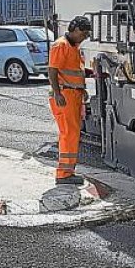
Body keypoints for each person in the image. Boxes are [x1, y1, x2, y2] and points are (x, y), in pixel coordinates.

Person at [48, 15, 92, 185]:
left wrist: (82, 90)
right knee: (68, 134)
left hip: (73, 94)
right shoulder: (61, 45)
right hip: (65, 96)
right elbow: (52, 70)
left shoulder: (73, 46)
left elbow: (75, 72)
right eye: (84, 34)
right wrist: (58, 94)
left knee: (72, 133)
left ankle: (68, 171)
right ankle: (64, 174)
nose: (85, 37)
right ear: (75, 29)